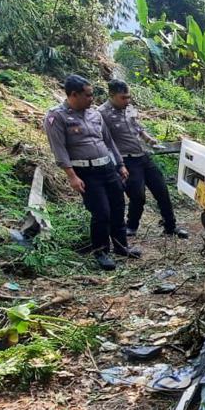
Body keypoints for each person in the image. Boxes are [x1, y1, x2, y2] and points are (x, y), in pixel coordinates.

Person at [43, 75, 141, 270]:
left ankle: (122, 247)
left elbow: (108, 141)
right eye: (88, 95)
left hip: (107, 167)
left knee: (118, 207)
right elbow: (59, 149)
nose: (92, 99)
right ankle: (102, 251)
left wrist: (120, 165)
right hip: (86, 172)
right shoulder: (57, 117)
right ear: (73, 95)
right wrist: (72, 176)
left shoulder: (95, 114)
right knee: (101, 212)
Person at [99, 80, 189, 239]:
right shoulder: (102, 114)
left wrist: (148, 139)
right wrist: (117, 165)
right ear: (111, 95)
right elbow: (104, 142)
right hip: (126, 160)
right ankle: (132, 226)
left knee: (162, 190)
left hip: (143, 156)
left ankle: (170, 226)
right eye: (123, 98)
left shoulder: (129, 108)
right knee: (137, 196)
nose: (127, 101)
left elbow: (137, 126)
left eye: (129, 97)